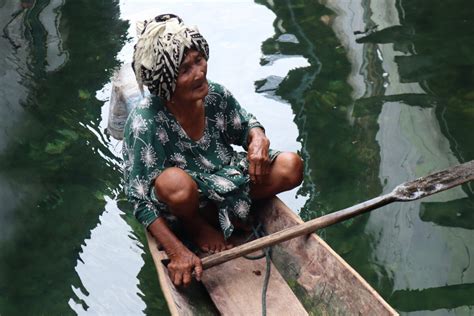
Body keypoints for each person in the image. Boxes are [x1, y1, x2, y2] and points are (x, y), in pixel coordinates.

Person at [123, 14, 303, 287]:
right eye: (185, 70)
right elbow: (138, 200)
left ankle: (216, 213)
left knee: (291, 166)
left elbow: (247, 126)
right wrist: (177, 251)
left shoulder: (215, 94)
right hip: (181, 201)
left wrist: (258, 139)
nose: (199, 73)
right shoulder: (145, 121)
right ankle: (196, 227)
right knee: (175, 183)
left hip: (224, 179)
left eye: (199, 60)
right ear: (166, 83)